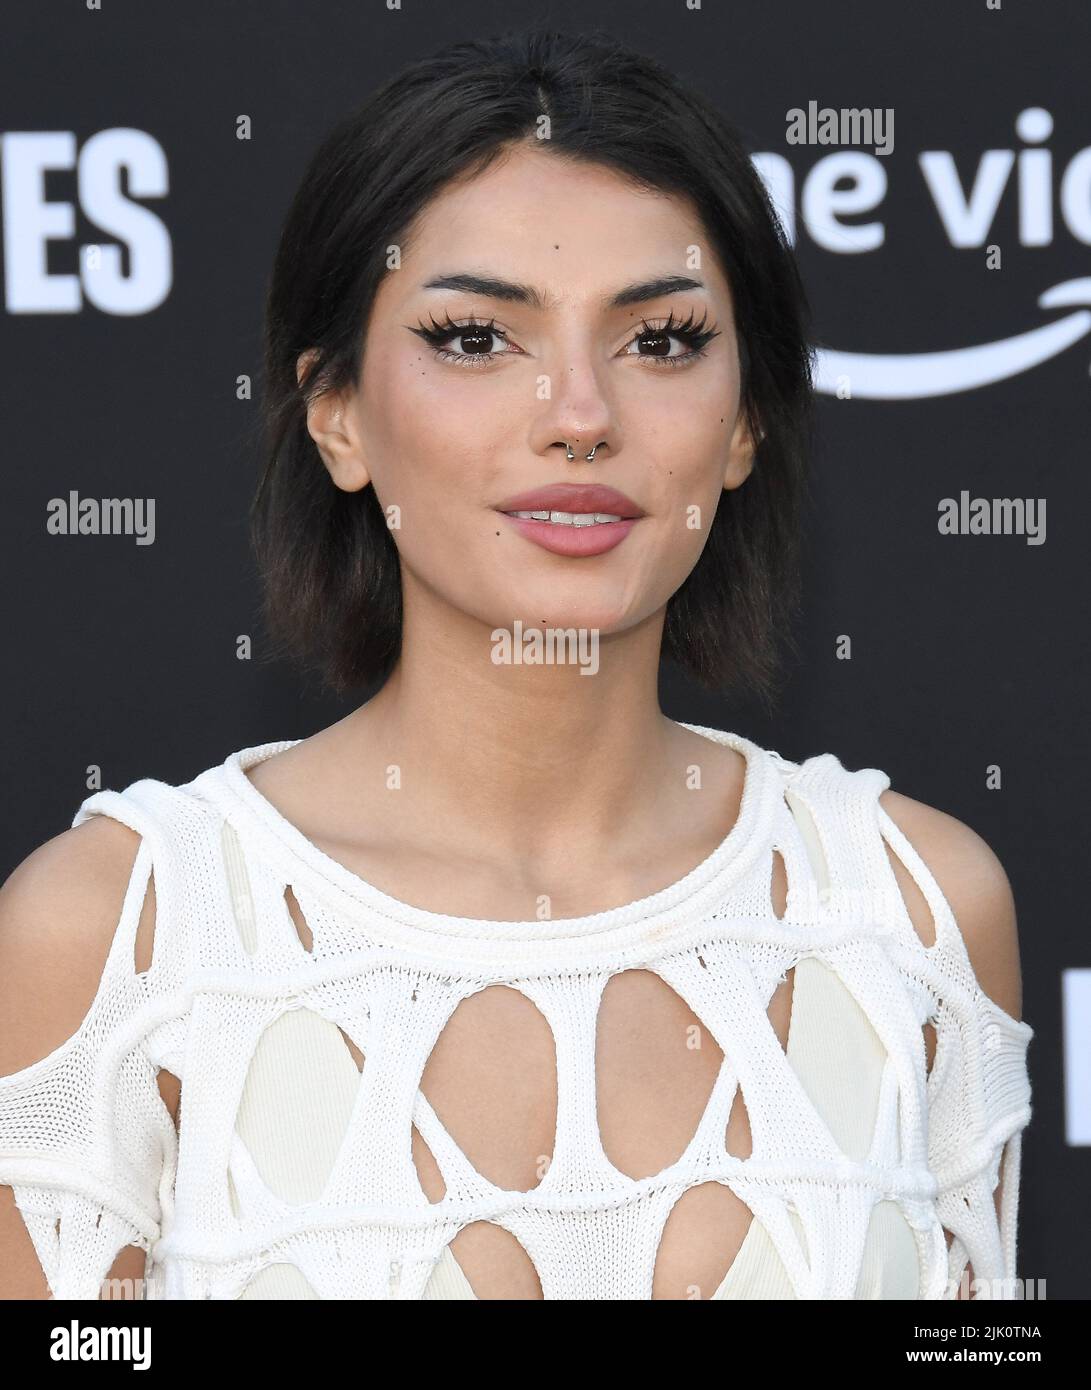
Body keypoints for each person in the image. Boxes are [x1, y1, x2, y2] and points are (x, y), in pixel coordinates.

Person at [0, 27, 1031, 1301]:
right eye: (475, 338)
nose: (580, 415)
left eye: (657, 340)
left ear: (745, 422)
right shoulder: (123, 935)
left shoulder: (914, 911)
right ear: (335, 415)